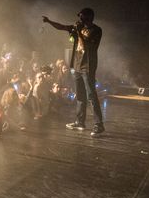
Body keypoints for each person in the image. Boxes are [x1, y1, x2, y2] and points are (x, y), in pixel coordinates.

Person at [42, 8, 105, 136]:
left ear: (88, 17)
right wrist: (49, 22)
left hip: (87, 66)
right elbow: (61, 27)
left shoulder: (96, 30)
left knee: (91, 95)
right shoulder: (77, 28)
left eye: (82, 17)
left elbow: (89, 44)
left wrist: (79, 32)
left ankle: (99, 125)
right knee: (80, 95)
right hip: (76, 66)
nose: (79, 19)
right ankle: (79, 121)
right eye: (79, 17)